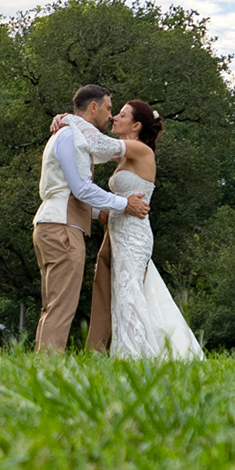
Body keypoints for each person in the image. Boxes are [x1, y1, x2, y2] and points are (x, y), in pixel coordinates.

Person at [33, 84, 143, 351]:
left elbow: (69, 192)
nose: (110, 116)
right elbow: (82, 188)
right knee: (61, 306)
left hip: (51, 225)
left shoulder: (69, 135)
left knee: (53, 305)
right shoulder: (70, 136)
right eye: (108, 108)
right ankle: (48, 366)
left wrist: (100, 213)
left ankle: (41, 364)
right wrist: (123, 204)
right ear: (93, 107)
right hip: (62, 230)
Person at [98, 99, 204, 360]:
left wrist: (70, 120)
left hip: (134, 234)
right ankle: (137, 351)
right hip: (119, 233)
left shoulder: (141, 150)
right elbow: (92, 152)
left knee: (129, 292)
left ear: (136, 125)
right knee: (126, 292)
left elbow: (97, 145)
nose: (114, 118)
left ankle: (135, 356)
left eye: (121, 115)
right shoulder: (126, 156)